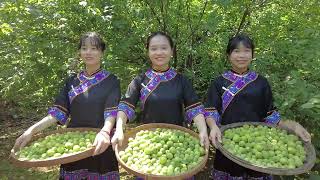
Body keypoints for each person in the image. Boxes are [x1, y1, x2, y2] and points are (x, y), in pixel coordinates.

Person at [14, 32, 121, 180]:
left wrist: (105, 132)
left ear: (102, 52)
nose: (88, 52)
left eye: (94, 48)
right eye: (84, 48)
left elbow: (111, 111)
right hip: (72, 143)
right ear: (79, 52)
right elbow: (58, 112)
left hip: (102, 142)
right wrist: (31, 130)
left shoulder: (112, 81)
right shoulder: (71, 82)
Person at [205, 34, 311, 180]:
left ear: (252, 54)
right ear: (228, 55)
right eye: (236, 51)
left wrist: (292, 125)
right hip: (227, 143)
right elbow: (211, 111)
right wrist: (213, 127)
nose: (242, 55)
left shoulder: (261, 83)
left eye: (246, 51)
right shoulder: (219, 82)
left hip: (259, 144)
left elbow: (270, 115)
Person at [111, 31, 209, 170]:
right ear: (148, 52)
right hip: (148, 143)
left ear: (171, 51)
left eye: (164, 48)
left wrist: (203, 130)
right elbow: (125, 106)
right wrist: (119, 129)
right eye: (154, 48)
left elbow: (194, 108)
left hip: (179, 143)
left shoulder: (181, 80)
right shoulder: (140, 80)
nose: (159, 52)